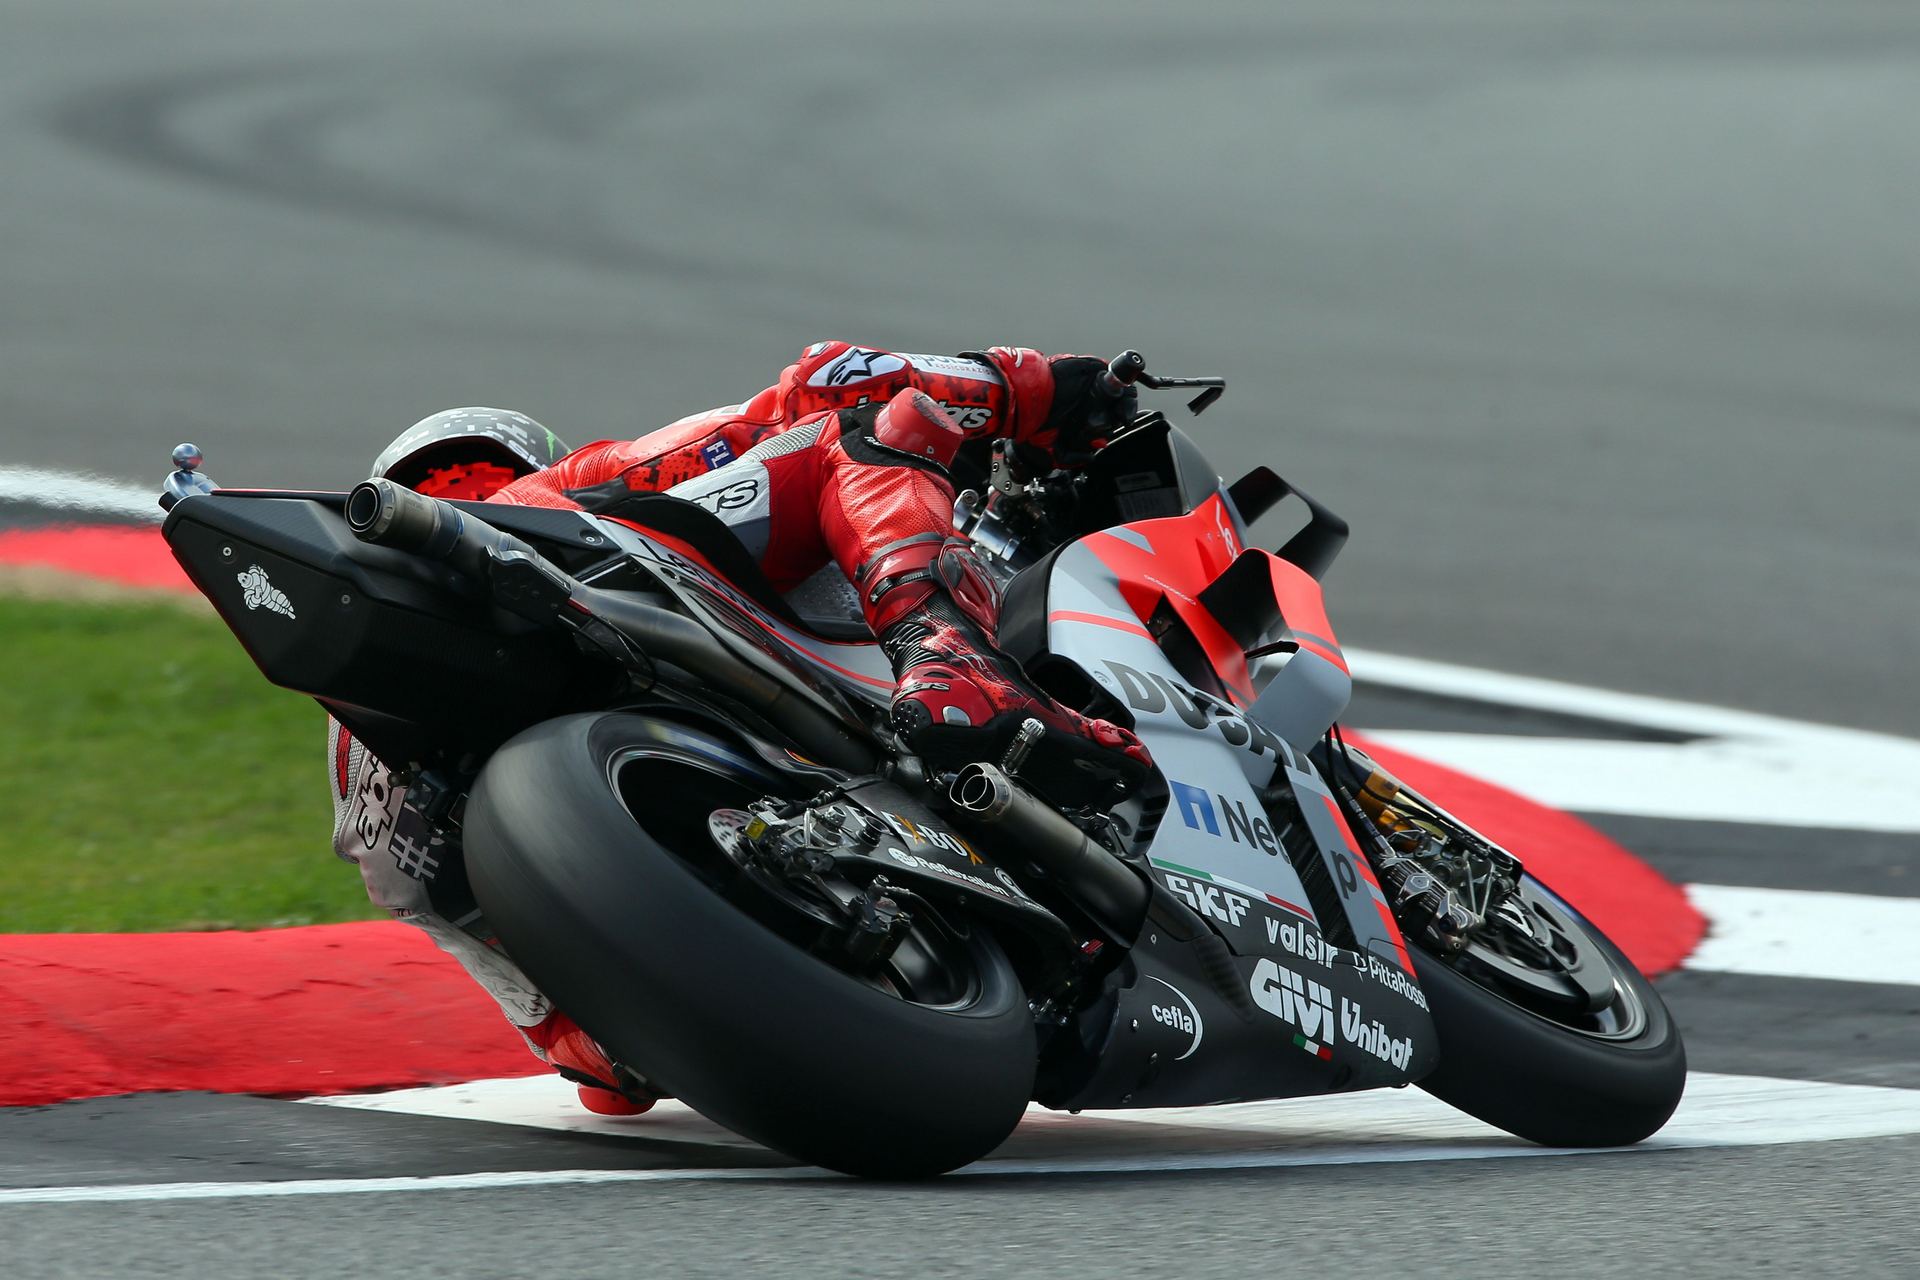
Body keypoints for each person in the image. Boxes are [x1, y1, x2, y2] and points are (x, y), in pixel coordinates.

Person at [330, 341, 1152, 1115]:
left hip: (504, 768)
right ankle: (942, 651)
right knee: (852, 419)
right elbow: (832, 379)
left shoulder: (359, 766)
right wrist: (1035, 389)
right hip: (593, 576)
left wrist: (651, 1016)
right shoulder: (576, 482)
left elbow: (605, 1077)